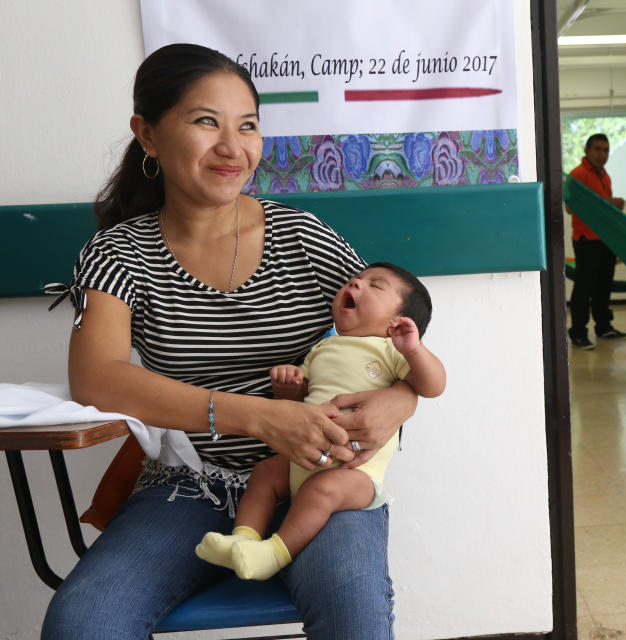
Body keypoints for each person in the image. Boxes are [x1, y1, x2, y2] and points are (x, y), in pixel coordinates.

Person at [41, 43, 417, 639]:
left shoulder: (299, 234)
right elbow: (98, 378)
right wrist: (263, 417)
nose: (232, 147)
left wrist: (402, 400)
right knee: (82, 623)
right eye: (205, 121)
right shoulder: (119, 252)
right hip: (191, 483)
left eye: (247, 126)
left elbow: (398, 337)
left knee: (356, 622)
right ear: (148, 134)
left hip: (314, 477)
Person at [196, 262, 445, 580]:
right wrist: (291, 388)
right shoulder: (322, 348)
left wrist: (414, 349)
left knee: (321, 490)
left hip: (352, 473)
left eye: (375, 285)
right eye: (355, 280)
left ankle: (273, 555)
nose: (355, 284)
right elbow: (298, 409)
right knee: (265, 472)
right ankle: (242, 540)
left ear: (397, 322)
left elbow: (433, 387)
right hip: (304, 456)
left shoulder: (391, 350)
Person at [566, 133, 626, 350]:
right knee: (584, 288)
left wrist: (612, 206)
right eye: (598, 149)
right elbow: (570, 207)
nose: (602, 154)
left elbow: (602, 208)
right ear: (587, 151)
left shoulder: (604, 175)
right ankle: (577, 333)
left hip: (606, 238)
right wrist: (609, 203)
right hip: (587, 240)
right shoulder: (578, 174)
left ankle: (604, 327)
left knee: (604, 285)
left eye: (606, 150)